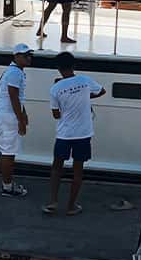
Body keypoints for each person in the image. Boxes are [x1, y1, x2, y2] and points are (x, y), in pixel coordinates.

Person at [44, 52, 104, 215]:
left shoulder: (55, 89)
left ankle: (53, 202)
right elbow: (102, 91)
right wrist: (86, 97)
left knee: (57, 167)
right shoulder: (85, 81)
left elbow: (56, 114)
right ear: (74, 65)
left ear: (58, 69)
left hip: (64, 134)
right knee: (78, 170)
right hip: (83, 133)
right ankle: (71, 206)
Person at [0, 43, 33, 197]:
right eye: (25, 55)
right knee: (8, 153)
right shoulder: (15, 73)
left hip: (6, 115)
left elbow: (17, 97)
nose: (29, 58)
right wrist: (21, 120)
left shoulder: (14, 71)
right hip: (8, 117)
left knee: (5, 151)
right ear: (16, 56)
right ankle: (8, 187)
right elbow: (13, 96)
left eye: (30, 55)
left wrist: (24, 113)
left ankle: (7, 183)